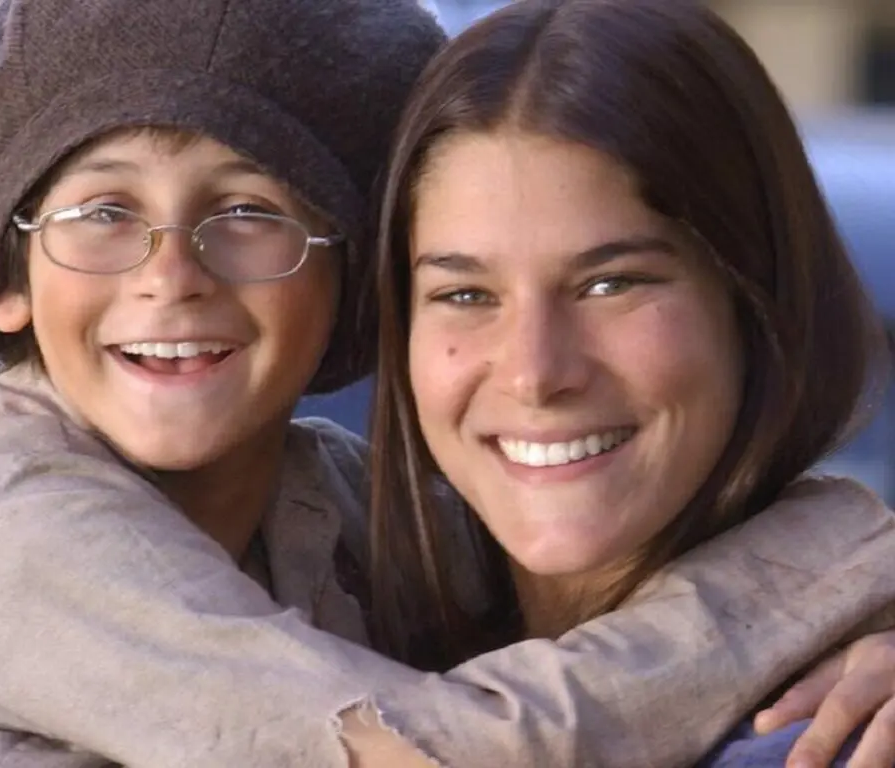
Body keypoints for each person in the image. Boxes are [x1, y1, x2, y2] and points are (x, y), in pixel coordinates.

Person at [0, 0, 893, 766]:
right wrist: (826, 563)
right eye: (102, 214)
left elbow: (580, 621)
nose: (170, 277)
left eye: (248, 212)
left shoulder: (333, 503)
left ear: (347, 281)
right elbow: (420, 750)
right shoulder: (8, 523)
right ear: (7, 280)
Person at [367, 0, 895, 766]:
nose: (535, 372)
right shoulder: (337, 621)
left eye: (610, 284)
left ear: (754, 301)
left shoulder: (832, 733)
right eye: (466, 295)